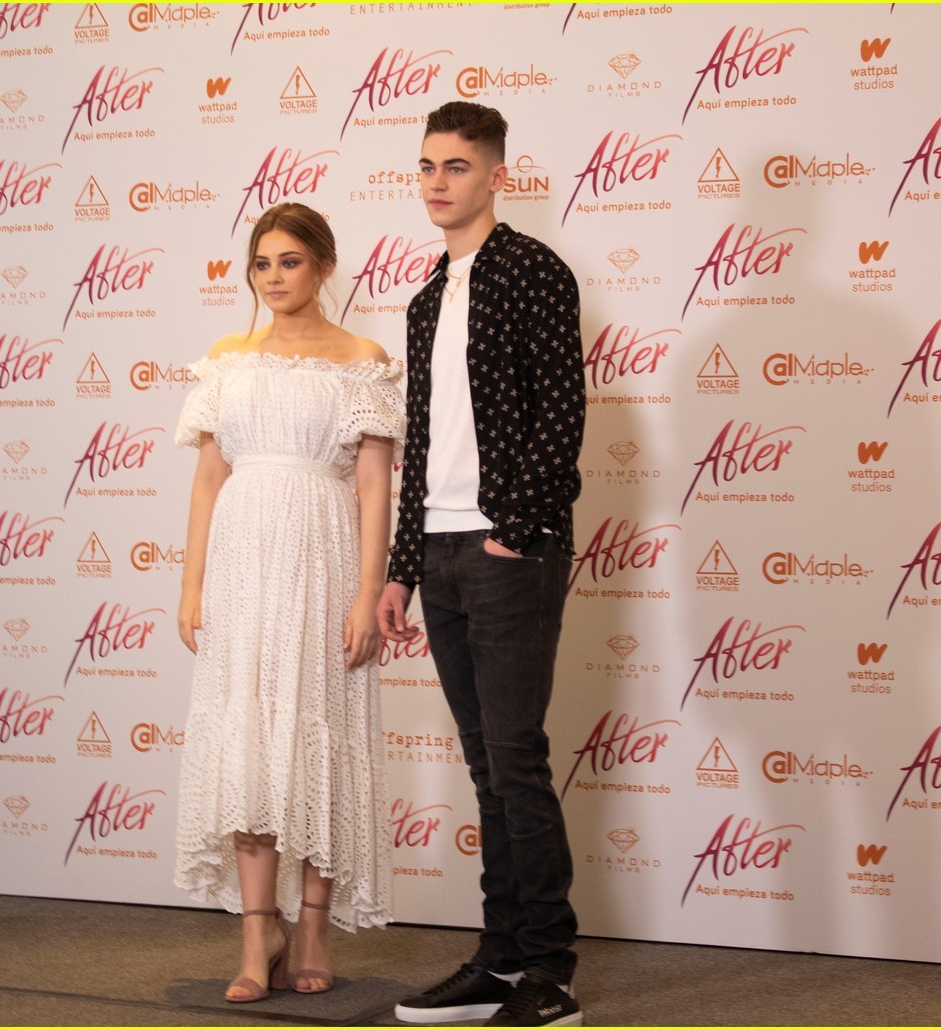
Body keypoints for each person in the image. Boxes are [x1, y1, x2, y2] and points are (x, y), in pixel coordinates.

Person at [377, 101, 586, 1028]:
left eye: (456, 166)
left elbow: (562, 415)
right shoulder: (427, 298)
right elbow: (422, 444)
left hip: (508, 548)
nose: (437, 182)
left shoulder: (534, 270)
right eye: (427, 165)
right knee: (484, 767)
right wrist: (402, 567)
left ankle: (548, 971)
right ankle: (499, 962)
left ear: (497, 175)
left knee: (516, 758)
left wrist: (517, 527)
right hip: (441, 549)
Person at [174, 202, 404, 1003]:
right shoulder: (226, 361)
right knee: (248, 747)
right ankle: (255, 934)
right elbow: (208, 480)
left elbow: (374, 489)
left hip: (324, 563)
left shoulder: (362, 361)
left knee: (317, 742)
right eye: (263, 263)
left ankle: (311, 929)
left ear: (324, 267)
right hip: (241, 569)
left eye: (291, 262)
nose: (274, 278)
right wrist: (191, 585)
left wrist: (367, 593)